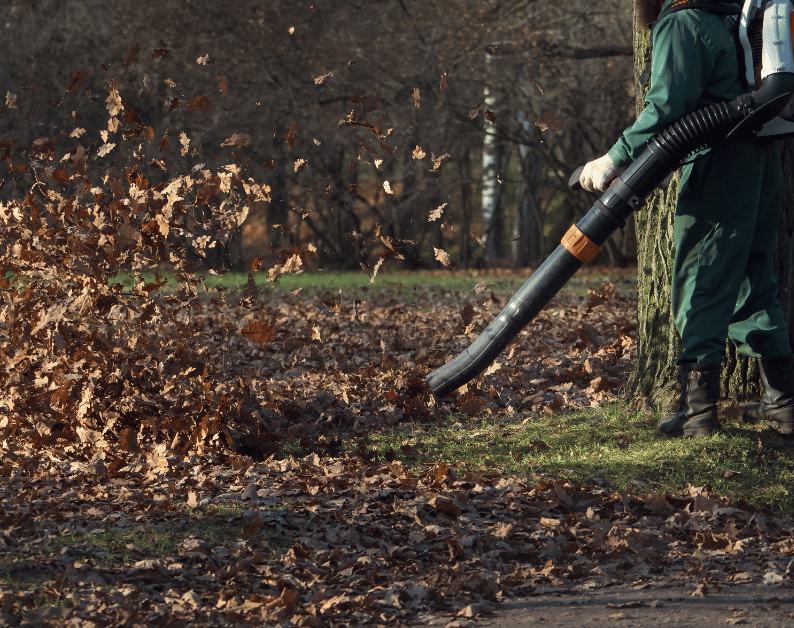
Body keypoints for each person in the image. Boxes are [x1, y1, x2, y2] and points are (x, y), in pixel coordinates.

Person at [579, 0, 794, 437]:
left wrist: (614, 157)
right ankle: (784, 403)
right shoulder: (728, 17)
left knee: (701, 280)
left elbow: (665, 108)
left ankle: (697, 413)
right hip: (763, 160)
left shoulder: (683, 22)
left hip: (721, 164)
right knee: (754, 279)